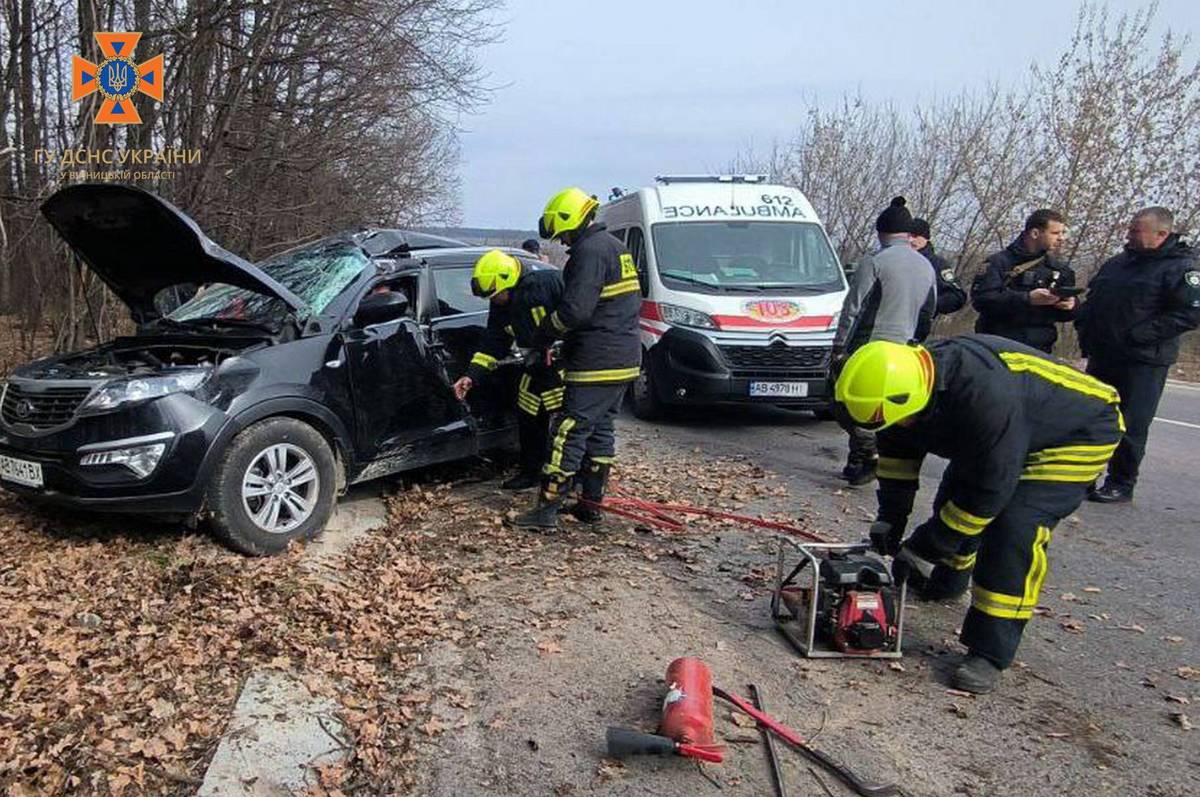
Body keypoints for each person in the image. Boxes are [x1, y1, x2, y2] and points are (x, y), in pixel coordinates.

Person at [834, 336, 1122, 693]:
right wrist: (890, 519)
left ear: (917, 399)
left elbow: (988, 491)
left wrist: (927, 546)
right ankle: (948, 582)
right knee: (954, 500)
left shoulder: (982, 398)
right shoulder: (898, 392)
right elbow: (898, 462)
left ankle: (990, 651)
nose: (900, 427)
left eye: (902, 421)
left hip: (1076, 433)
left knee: (1014, 528)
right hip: (1012, 431)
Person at [511, 187, 641, 529]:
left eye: (563, 234)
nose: (563, 241)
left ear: (569, 223)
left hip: (597, 360)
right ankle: (589, 504)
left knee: (568, 430)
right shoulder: (615, 247)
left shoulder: (589, 252)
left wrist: (544, 336)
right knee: (600, 431)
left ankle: (546, 511)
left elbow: (575, 311)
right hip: (623, 356)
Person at [1076, 207, 1200, 503]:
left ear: (1161, 234)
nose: (1129, 235)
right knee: (1092, 418)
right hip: (1104, 354)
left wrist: (1142, 334)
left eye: (1136, 230)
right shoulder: (1118, 264)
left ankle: (1121, 482)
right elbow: (1095, 300)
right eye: (1130, 229)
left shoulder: (1181, 268)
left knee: (1131, 424)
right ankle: (1082, 477)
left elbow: (1191, 313)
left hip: (1144, 359)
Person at [832, 196, 936, 486]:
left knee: (846, 402)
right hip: (906, 350)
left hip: (869, 347)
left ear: (880, 233)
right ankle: (860, 462)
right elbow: (929, 311)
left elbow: (854, 307)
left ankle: (868, 453)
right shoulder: (926, 266)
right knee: (889, 407)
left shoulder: (875, 261)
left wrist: (839, 348)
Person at [453, 250, 565, 490]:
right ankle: (530, 472)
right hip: (535, 367)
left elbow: (580, 315)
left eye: (495, 295)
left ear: (508, 281)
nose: (494, 301)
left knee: (568, 425)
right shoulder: (502, 306)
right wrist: (471, 376)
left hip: (565, 367)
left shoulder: (550, 283)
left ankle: (570, 479)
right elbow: (493, 343)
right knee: (528, 417)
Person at [971, 209, 1076, 353]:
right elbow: (983, 300)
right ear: (1035, 233)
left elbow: (1068, 314)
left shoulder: (1059, 270)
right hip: (997, 347)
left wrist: (1070, 305)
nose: (1061, 238)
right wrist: (1027, 299)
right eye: (1055, 233)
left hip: (1039, 350)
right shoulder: (999, 263)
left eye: (1063, 233)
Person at [909, 217, 966, 316]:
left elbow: (956, 297)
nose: (910, 240)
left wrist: (928, 304)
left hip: (919, 323)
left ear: (926, 238)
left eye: (915, 236)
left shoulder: (936, 264)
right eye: (907, 236)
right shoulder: (890, 259)